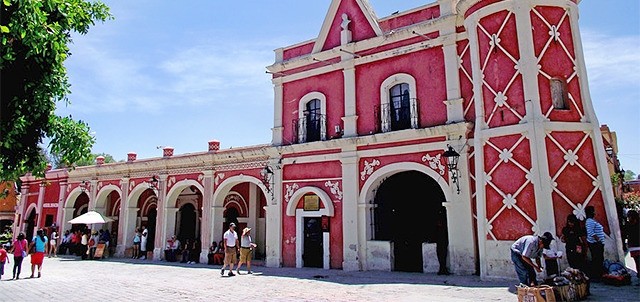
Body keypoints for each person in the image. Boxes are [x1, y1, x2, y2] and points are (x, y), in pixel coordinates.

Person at [585, 206, 605, 281]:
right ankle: (596, 276)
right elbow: (591, 232)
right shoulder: (589, 221)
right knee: (597, 259)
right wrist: (598, 240)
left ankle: (598, 275)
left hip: (597, 244)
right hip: (595, 244)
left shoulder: (592, 221)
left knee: (599, 259)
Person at [625, 210, 639, 280]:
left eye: (629, 217)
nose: (628, 218)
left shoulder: (629, 225)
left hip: (635, 246)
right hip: (633, 247)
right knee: (637, 262)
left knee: (638, 262)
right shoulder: (628, 225)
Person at [436, 206, 450, 275]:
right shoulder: (439, 229)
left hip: (442, 242)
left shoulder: (441, 229)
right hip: (441, 243)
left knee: (442, 254)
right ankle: (442, 268)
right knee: (441, 255)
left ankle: (442, 268)